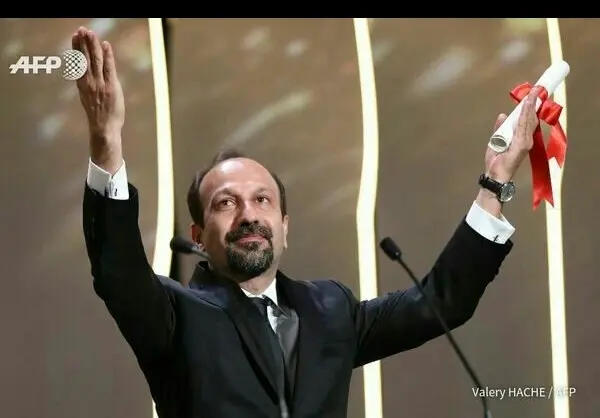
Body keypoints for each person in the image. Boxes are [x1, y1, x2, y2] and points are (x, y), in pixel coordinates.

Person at [76, 25, 539, 418]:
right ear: (198, 237)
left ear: (285, 227)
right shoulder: (174, 314)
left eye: (262, 200)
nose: (249, 215)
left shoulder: (330, 309)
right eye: (226, 203)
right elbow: (118, 272)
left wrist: (494, 183)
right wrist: (105, 140)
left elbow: (441, 301)